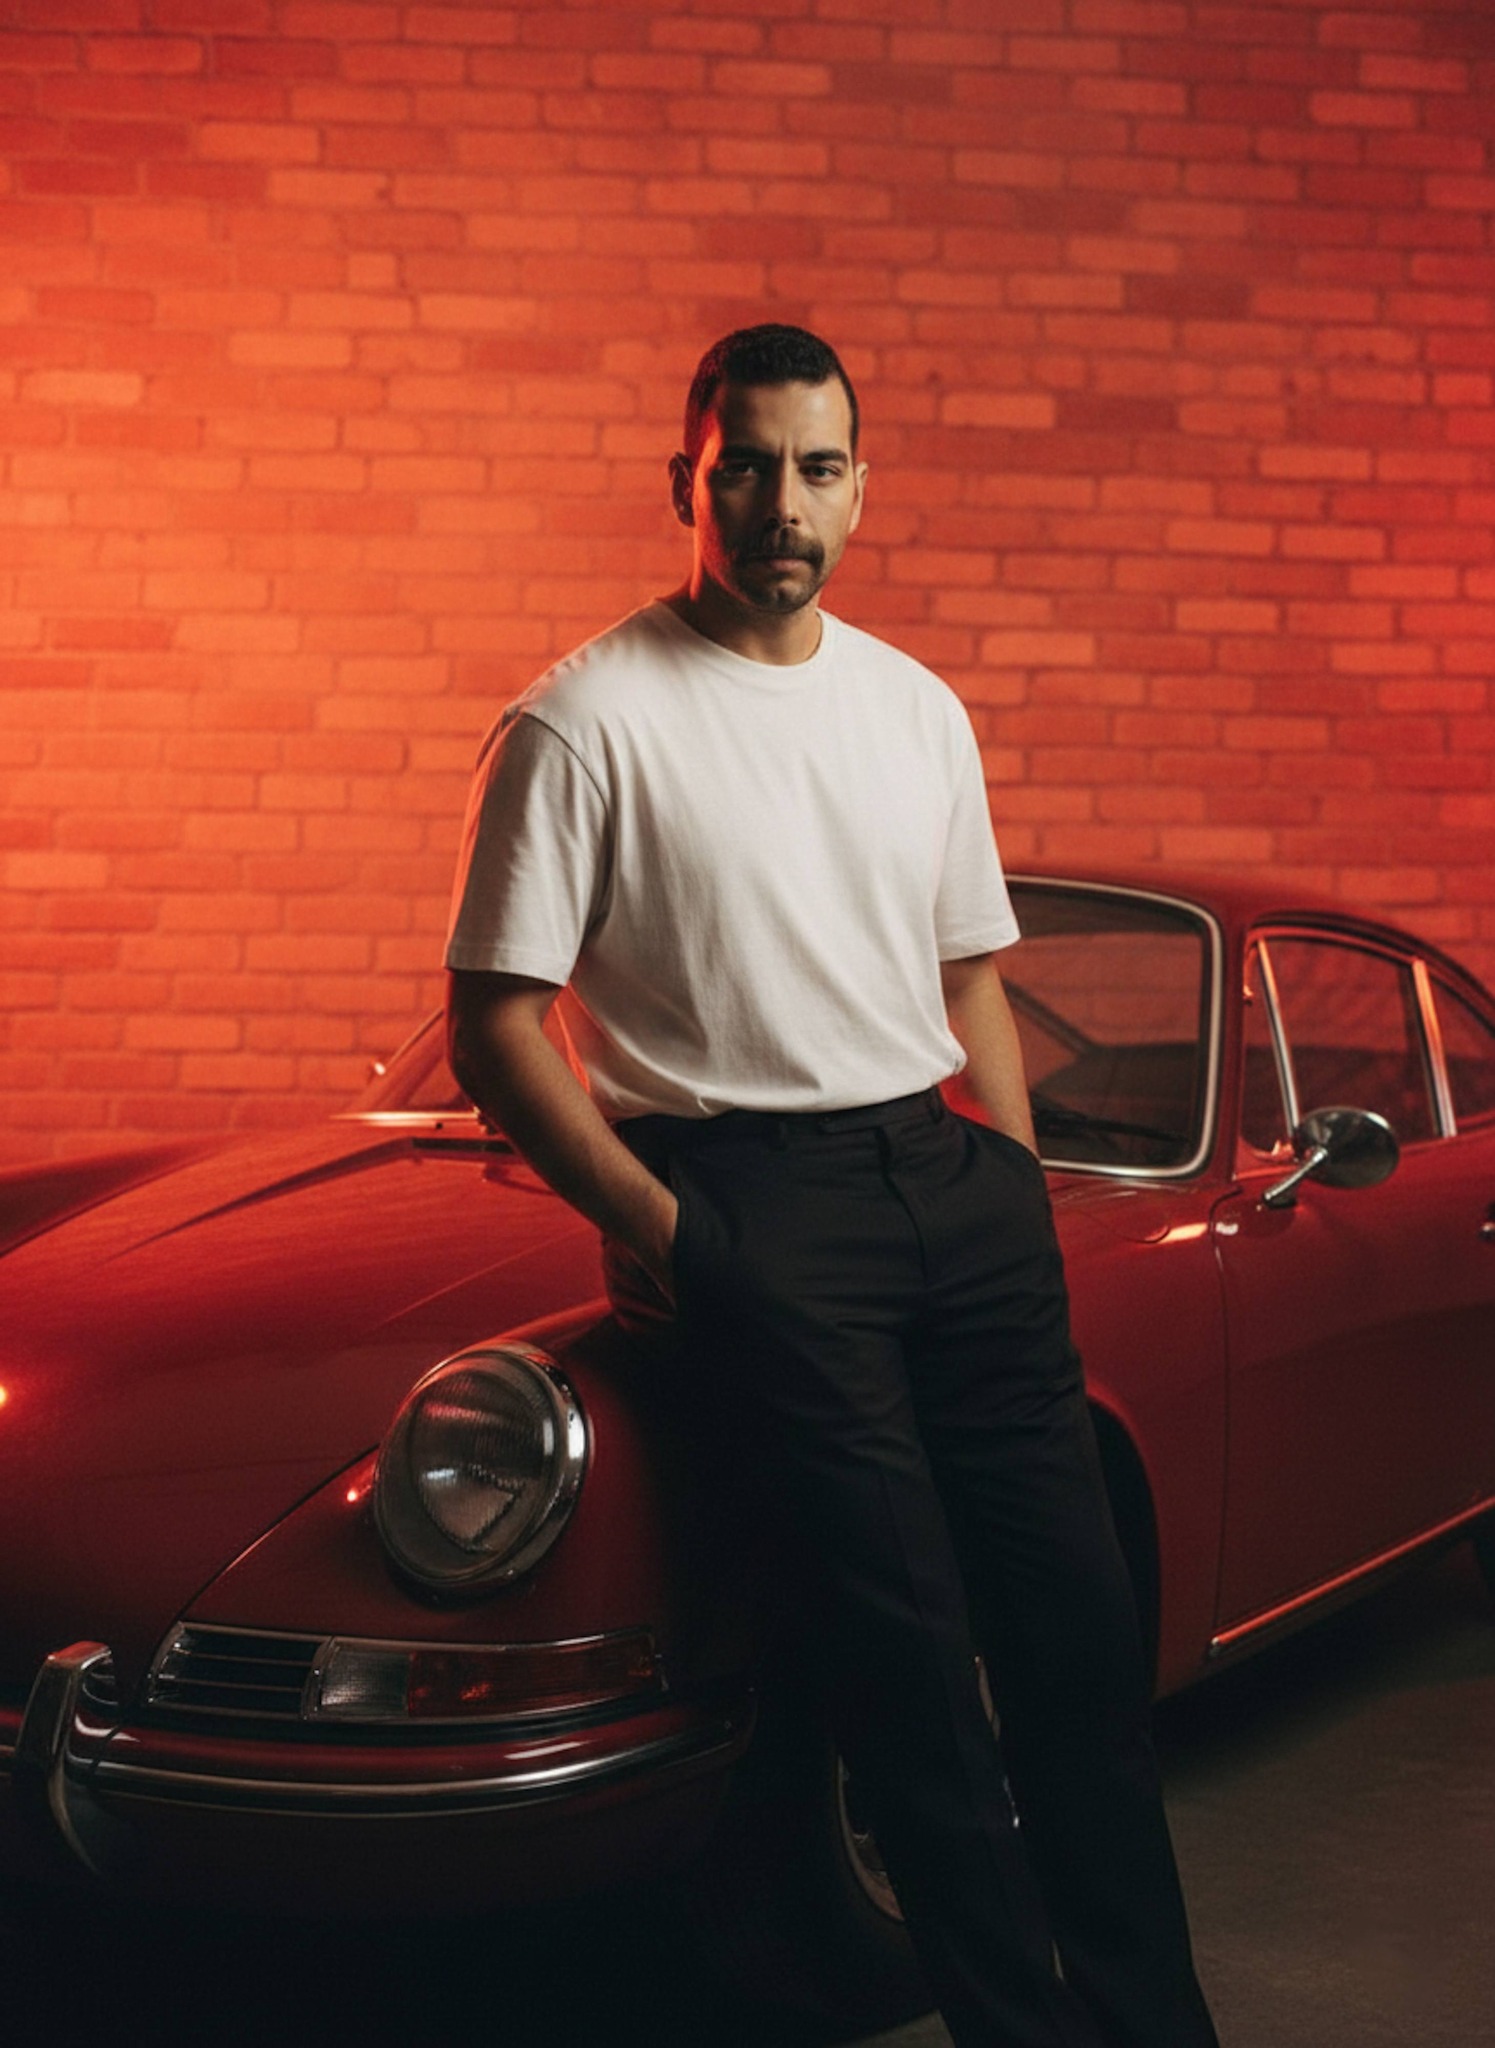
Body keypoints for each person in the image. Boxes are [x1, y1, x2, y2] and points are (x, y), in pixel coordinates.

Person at [444, 323, 1219, 2048]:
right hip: (750, 1203)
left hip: (953, 1190)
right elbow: (496, 1025)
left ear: (861, 488)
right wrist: (666, 1231)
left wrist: (1009, 1188)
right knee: (910, 1671)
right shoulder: (582, 720)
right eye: (744, 466)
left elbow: (970, 982)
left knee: (1080, 1649)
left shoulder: (916, 709)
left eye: (814, 467)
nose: (778, 502)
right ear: (687, 482)